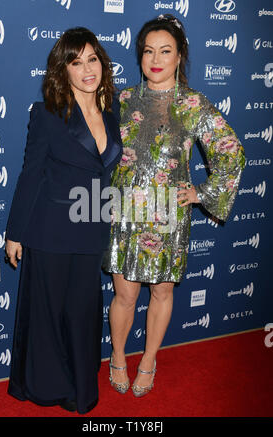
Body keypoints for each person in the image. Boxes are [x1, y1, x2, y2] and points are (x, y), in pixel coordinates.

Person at [102, 14, 245, 397]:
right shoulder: (123, 99)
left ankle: (148, 360)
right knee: (125, 295)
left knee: (161, 294)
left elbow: (230, 151)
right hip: (125, 214)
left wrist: (202, 193)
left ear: (179, 56)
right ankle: (117, 355)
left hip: (168, 216)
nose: (156, 59)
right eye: (149, 51)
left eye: (165, 51)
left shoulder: (193, 104)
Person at [5, 27, 122, 414]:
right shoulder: (48, 113)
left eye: (92, 59)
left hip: (92, 228)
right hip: (50, 230)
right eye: (76, 62)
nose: (86, 69)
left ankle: (80, 390)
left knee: (83, 315)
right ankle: (49, 387)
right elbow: (31, 173)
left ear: (102, 64)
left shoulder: (113, 110)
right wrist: (15, 233)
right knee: (49, 315)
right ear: (63, 70)